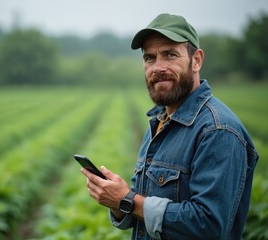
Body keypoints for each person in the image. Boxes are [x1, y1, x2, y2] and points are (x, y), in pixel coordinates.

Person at [81, 13, 259, 240]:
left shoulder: (218, 130)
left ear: (196, 60)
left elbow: (209, 226)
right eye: (149, 58)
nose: (157, 67)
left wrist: (127, 200)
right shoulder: (159, 122)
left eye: (170, 55)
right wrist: (118, 202)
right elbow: (143, 210)